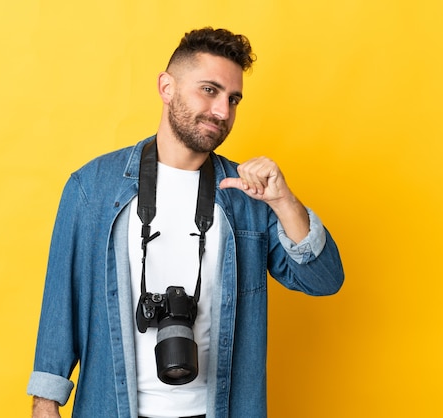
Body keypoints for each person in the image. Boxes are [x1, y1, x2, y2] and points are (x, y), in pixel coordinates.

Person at [27, 27, 344, 418]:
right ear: (167, 87)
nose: (222, 112)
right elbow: (61, 301)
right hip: (113, 406)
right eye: (209, 90)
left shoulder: (247, 196)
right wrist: (45, 402)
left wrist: (284, 202)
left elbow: (325, 281)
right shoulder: (91, 187)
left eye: (233, 99)